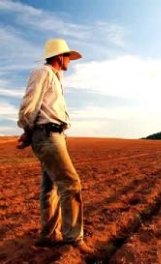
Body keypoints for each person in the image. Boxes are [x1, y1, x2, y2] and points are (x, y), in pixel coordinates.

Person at [17, 39, 93, 254]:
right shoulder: (43, 73)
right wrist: (27, 130)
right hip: (48, 135)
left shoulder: (55, 77)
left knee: (50, 187)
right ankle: (73, 239)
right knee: (70, 184)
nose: (70, 60)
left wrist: (30, 133)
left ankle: (49, 235)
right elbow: (28, 105)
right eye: (68, 56)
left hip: (53, 134)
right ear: (60, 57)